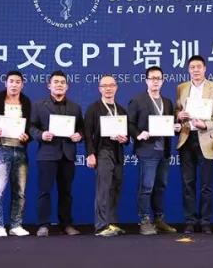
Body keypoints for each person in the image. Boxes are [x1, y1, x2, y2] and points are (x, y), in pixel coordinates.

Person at [175, 55, 213, 234]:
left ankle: (205, 221)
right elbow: (178, 110)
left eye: (199, 67)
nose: (195, 70)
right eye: (192, 67)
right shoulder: (181, 87)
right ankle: (190, 221)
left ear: (205, 69)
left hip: (207, 139)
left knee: (206, 185)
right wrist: (179, 116)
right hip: (186, 138)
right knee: (187, 183)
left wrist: (206, 124)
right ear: (188, 70)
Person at [29, 70, 83, 237]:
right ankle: (43, 225)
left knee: (66, 192)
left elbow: (81, 129)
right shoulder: (38, 105)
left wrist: (79, 135)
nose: (59, 85)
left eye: (62, 82)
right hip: (47, 153)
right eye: (56, 82)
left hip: (68, 154)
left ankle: (66, 224)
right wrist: (41, 135)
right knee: (44, 191)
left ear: (67, 86)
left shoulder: (75, 107)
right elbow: (31, 127)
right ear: (49, 86)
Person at [128, 66, 177, 235]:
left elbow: (170, 123)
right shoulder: (137, 100)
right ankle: (144, 221)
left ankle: (159, 220)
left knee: (160, 186)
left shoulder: (167, 102)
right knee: (146, 187)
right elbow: (129, 124)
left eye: (158, 78)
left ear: (163, 81)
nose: (155, 81)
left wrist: (176, 127)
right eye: (152, 78)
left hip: (164, 151)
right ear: (146, 80)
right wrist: (138, 134)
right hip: (147, 150)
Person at [0, 70, 33, 237]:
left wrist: (27, 136)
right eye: (11, 81)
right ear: (5, 83)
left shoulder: (26, 104)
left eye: (18, 82)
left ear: (22, 85)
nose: (14, 84)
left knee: (20, 191)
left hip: (20, 149)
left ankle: (16, 225)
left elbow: (31, 128)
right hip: (1, 149)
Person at [85, 75, 130, 237]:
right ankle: (101, 226)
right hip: (102, 151)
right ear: (100, 89)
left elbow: (127, 136)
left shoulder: (121, 110)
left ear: (116, 87)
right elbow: (87, 134)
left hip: (118, 152)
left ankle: (111, 223)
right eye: (104, 86)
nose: (108, 88)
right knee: (103, 189)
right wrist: (90, 154)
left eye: (111, 85)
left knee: (115, 188)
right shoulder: (93, 108)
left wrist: (125, 139)